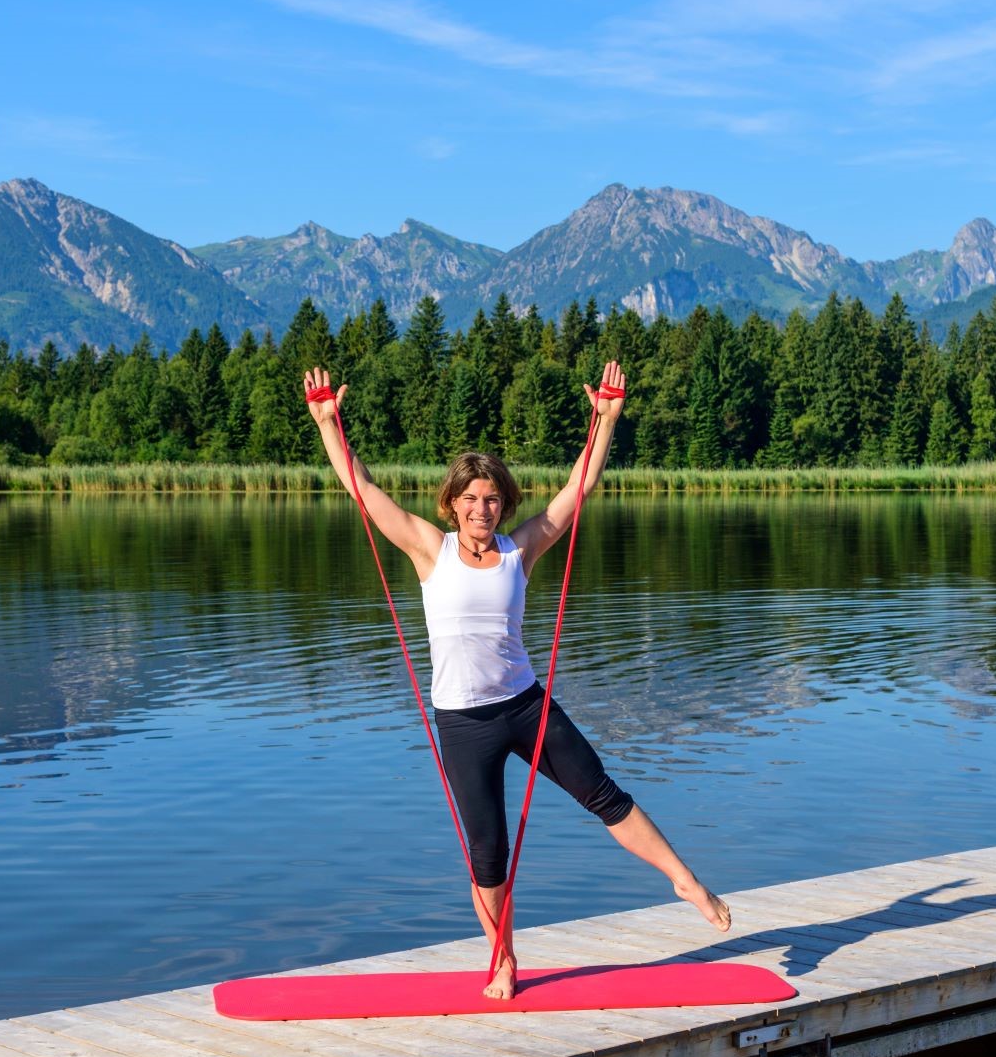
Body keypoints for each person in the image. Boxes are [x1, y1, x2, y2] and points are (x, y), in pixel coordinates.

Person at [303, 359, 731, 1001]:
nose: (482, 507)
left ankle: (683, 878)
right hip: (464, 723)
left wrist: (605, 422)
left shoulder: (518, 550)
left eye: (493, 498)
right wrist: (330, 425)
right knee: (487, 853)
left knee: (602, 793)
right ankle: (503, 957)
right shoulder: (428, 548)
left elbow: (575, 491)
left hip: (526, 707)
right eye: (471, 498)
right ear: (452, 504)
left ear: (503, 504)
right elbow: (362, 489)